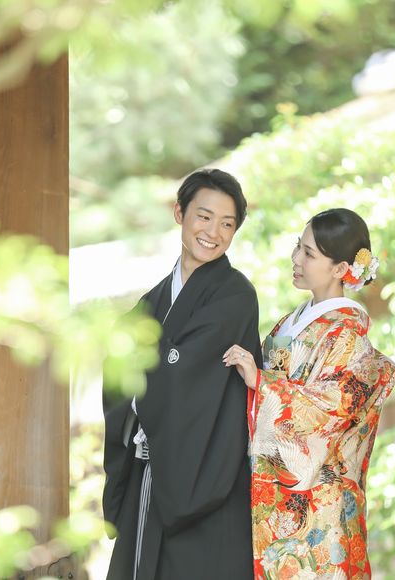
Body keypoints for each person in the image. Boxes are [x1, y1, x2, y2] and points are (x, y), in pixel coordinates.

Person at [103, 168, 260, 580]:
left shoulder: (235, 295)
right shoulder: (152, 300)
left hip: (207, 475)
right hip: (152, 471)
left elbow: (184, 368)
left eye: (227, 224)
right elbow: (120, 363)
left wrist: (144, 369)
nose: (213, 232)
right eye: (204, 217)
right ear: (180, 214)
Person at [224, 208, 395, 579]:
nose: (296, 259)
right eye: (297, 247)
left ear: (340, 269)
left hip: (320, 506)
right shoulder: (294, 321)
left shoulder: (346, 335)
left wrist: (262, 383)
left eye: (309, 253)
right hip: (286, 496)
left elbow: (329, 410)